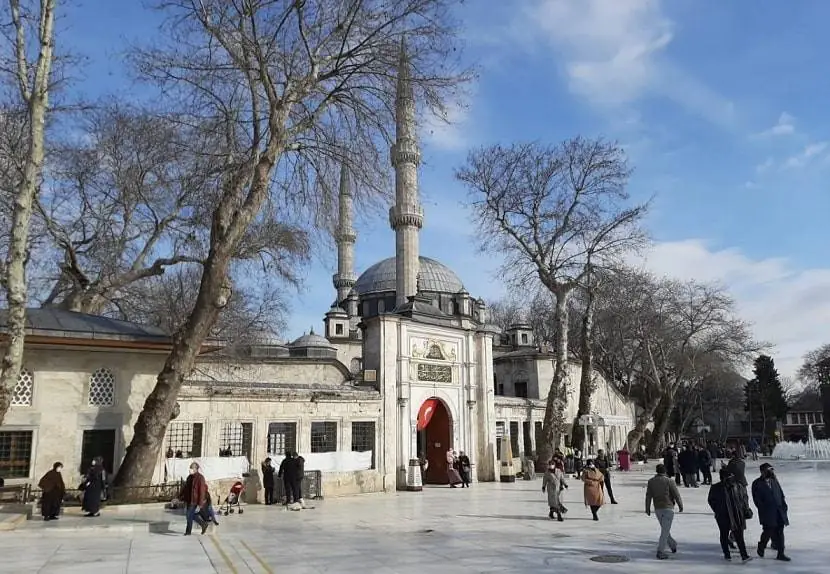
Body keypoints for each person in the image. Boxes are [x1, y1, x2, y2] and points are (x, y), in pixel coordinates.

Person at [708, 469, 753, 562]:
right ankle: (726, 554)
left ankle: (744, 555)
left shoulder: (738, 486)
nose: (731, 478)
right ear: (723, 478)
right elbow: (711, 500)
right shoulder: (716, 488)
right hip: (723, 516)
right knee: (724, 535)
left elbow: (744, 498)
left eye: (732, 476)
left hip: (737, 514)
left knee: (739, 536)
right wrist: (718, 509)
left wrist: (746, 509)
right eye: (729, 476)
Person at [751, 463, 790, 562]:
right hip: (767, 513)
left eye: (772, 470)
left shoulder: (774, 481)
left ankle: (781, 553)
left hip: (779, 512)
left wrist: (784, 506)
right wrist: (764, 509)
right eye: (769, 470)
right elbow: (757, 500)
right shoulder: (757, 483)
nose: (771, 472)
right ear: (763, 471)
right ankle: (761, 545)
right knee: (768, 531)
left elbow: (781, 494)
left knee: (780, 532)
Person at [645, 463, 684, 560]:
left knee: (665, 530)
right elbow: (676, 494)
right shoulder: (669, 481)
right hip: (668, 508)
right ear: (665, 471)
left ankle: (673, 545)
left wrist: (647, 508)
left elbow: (648, 496)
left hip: (658, 508)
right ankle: (660, 551)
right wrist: (680, 505)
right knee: (665, 531)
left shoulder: (651, 481)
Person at [179, 461, 209, 536]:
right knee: (190, 515)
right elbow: (185, 488)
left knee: (189, 514)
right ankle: (203, 524)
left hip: (195, 500)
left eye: (191, 468)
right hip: (189, 499)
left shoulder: (200, 478)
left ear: (196, 469)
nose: (190, 469)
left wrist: (200, 504)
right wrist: (179, 497)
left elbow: (202, 491)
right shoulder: (189, 477)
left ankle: (188, 532)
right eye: (190, 468)